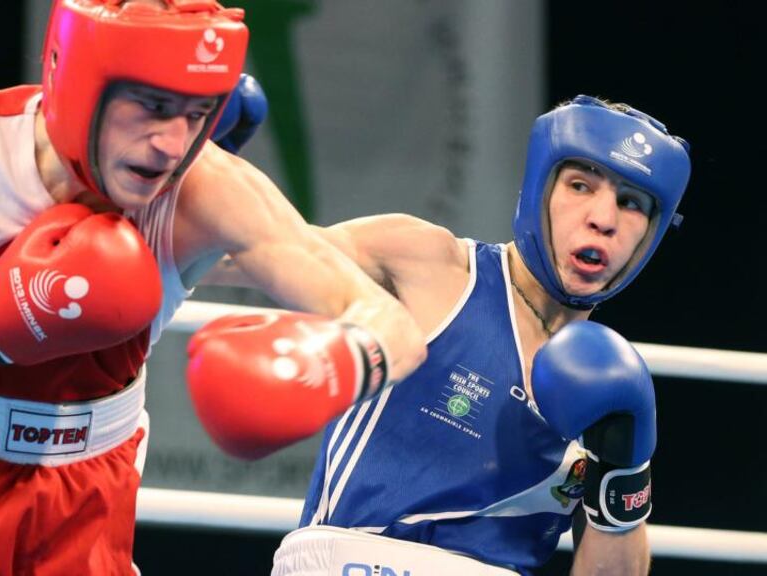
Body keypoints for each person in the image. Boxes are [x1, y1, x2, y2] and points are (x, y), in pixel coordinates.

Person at [0, 1, 428, 574]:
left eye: (197, 114)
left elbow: (390, 325)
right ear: (79, 82)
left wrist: (335, 364)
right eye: (150, 105)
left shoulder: (205, 191)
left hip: (91, 496)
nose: (172, 143)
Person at [194, 95, 690, 574]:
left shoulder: (611, 386)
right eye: (581, 186)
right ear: (540, 188)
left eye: (631, 203)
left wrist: (627, 471)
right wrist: (196, 178)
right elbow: (244, 254)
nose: (603, 220)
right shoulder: (431, 265)